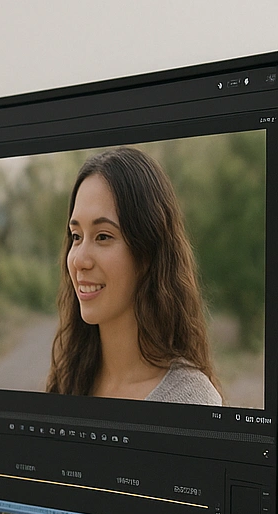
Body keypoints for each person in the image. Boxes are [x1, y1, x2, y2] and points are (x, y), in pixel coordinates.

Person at [46, 147, 223, 405]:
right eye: (76, 236)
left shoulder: (190, 400)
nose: (79, 261)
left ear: (147, 252)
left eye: (103, 236)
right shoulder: (69, 379)